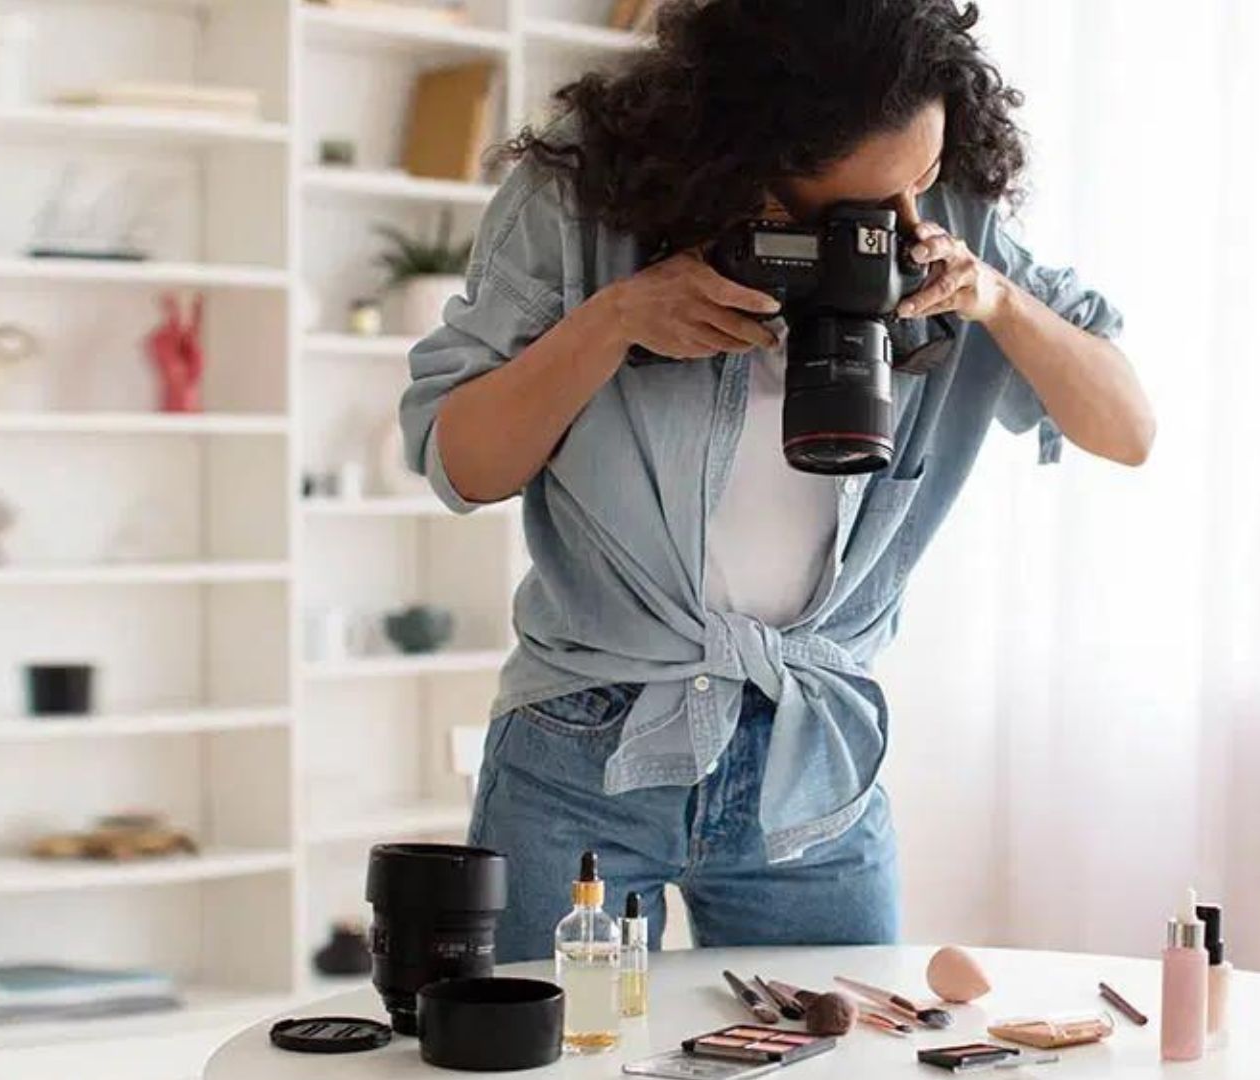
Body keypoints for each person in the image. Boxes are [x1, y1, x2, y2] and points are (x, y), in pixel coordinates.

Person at [400, 0, 1154, 961]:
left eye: (917, 181)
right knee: (554, 1058)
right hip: (584, 739)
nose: (896, 224)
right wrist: (616, 320)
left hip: (811, 746)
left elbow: (1127, 429)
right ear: (740, 161)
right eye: (842, 214)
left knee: (841, 1057)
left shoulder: (951, 223)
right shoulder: (587, 198)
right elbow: (462, 462)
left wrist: (997, 300)